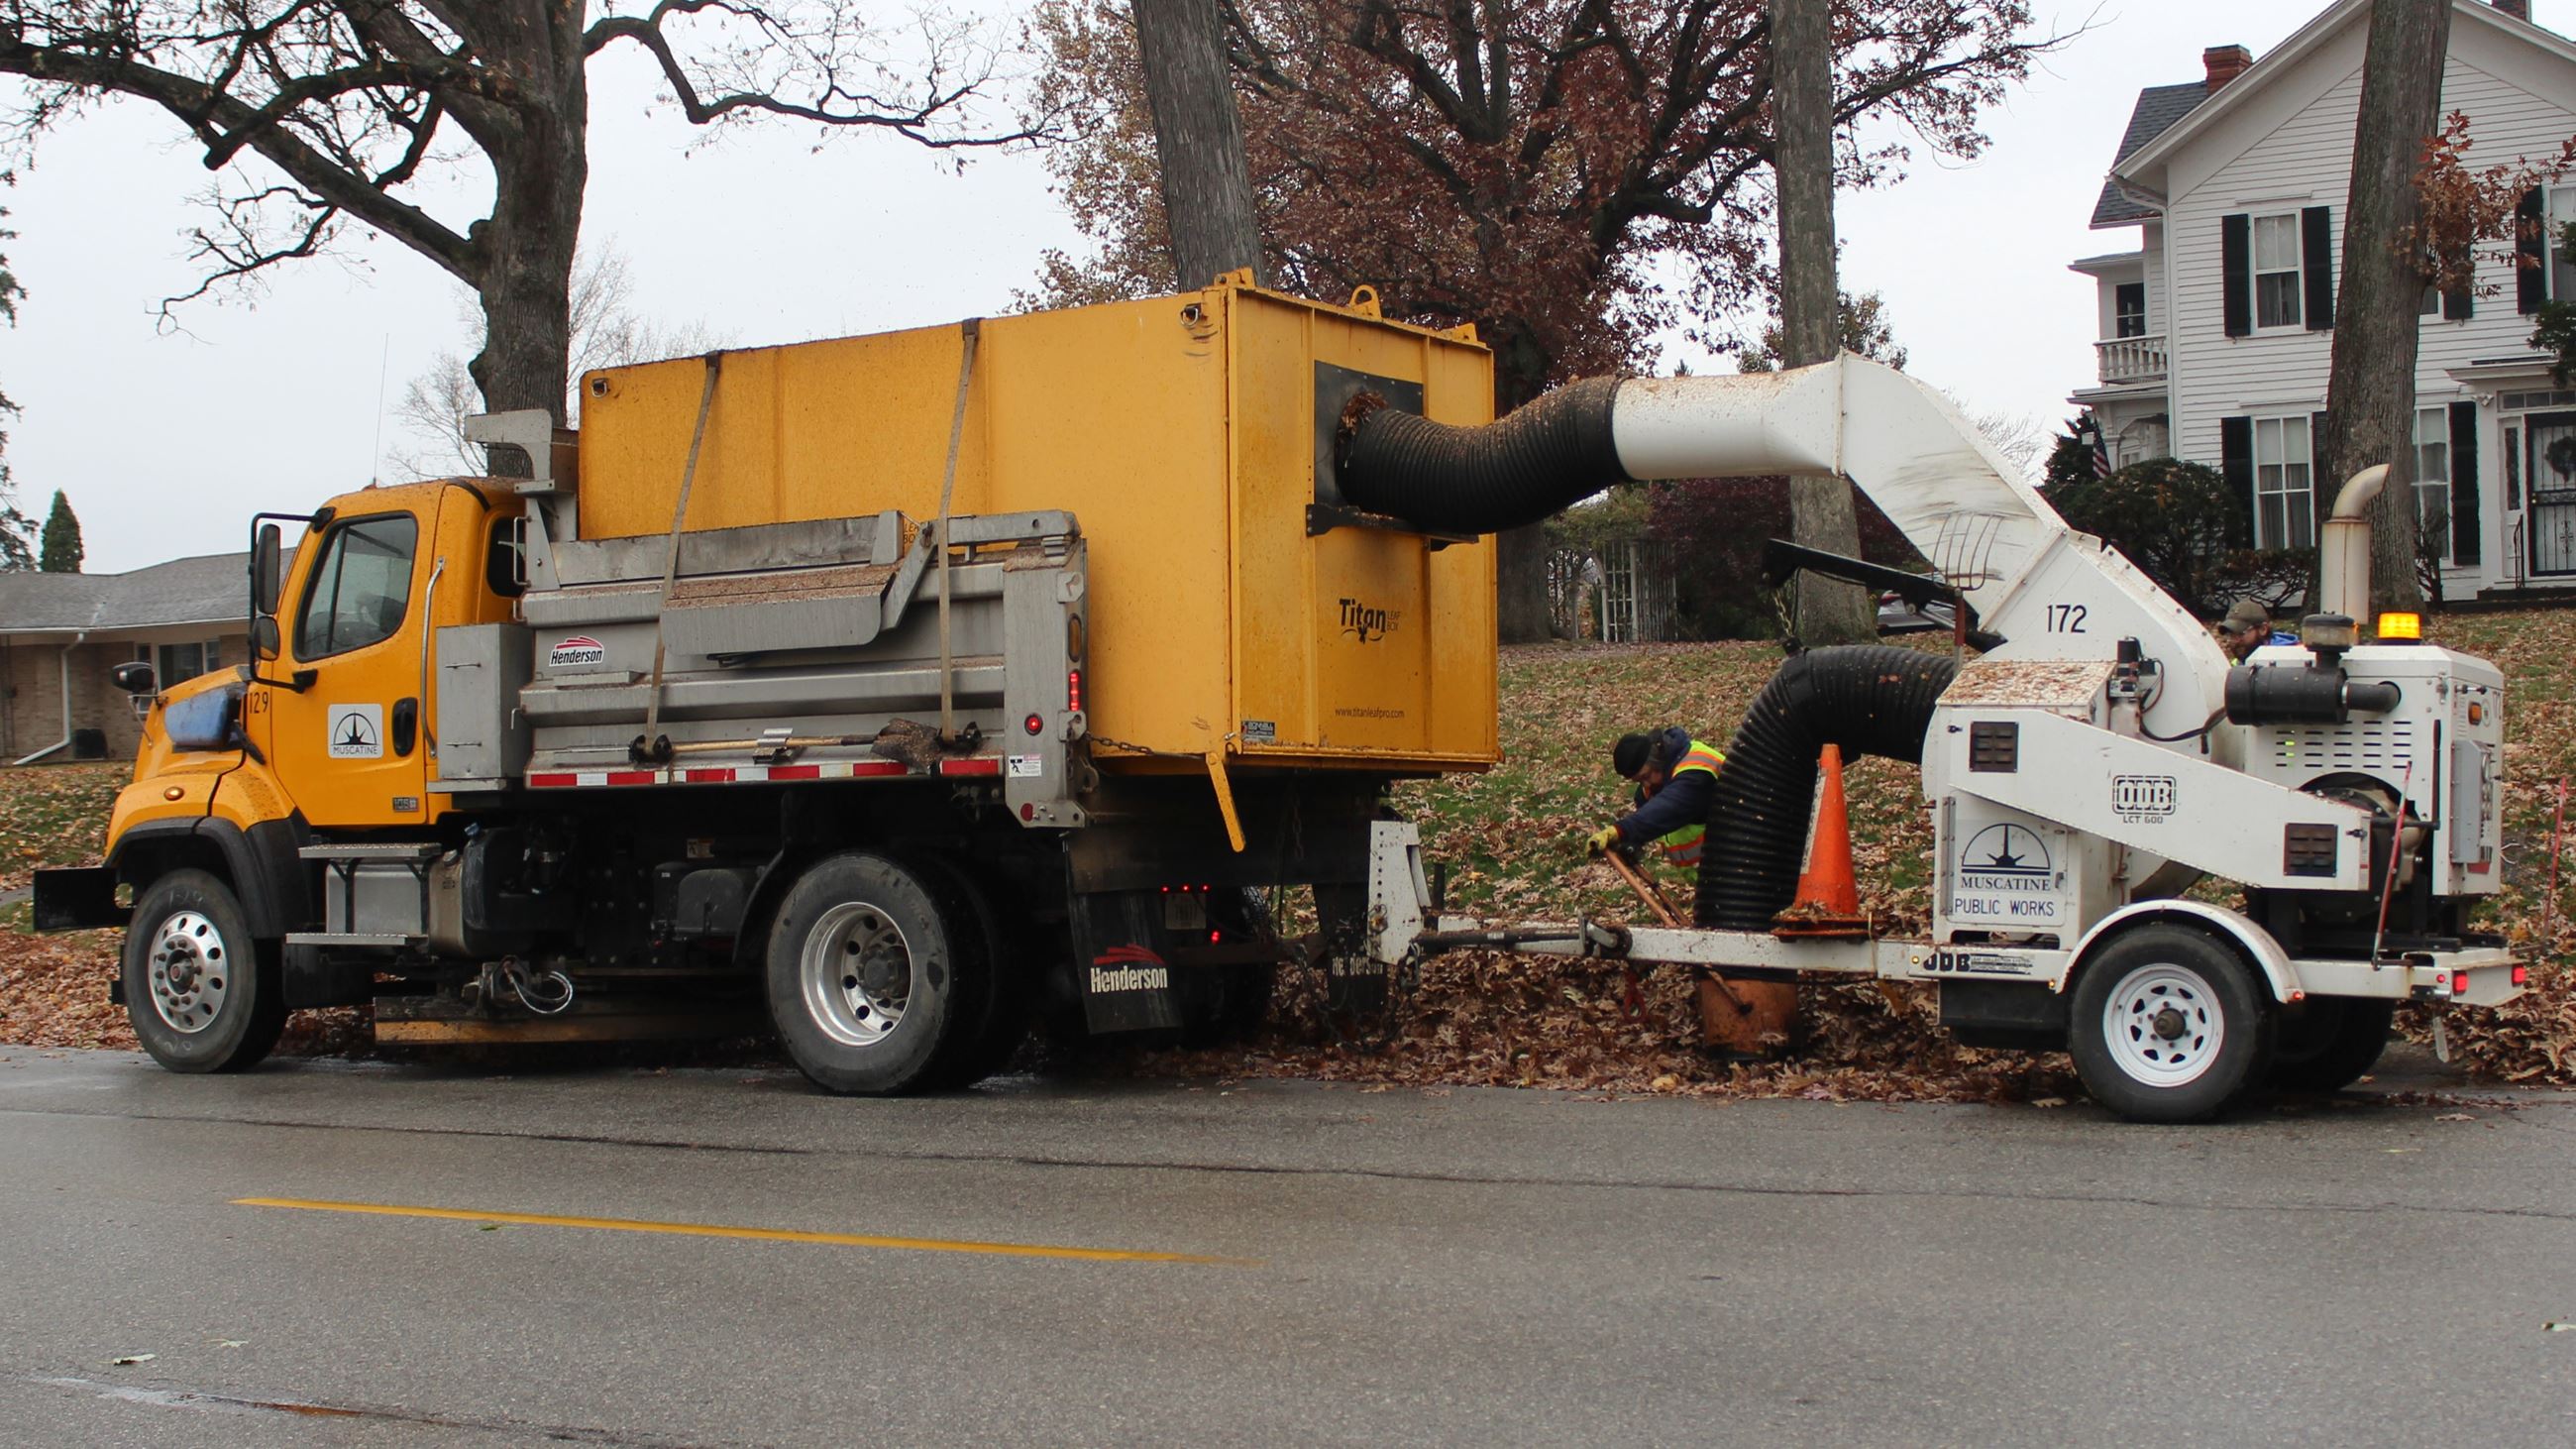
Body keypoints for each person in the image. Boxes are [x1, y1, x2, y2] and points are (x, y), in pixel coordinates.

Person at [1585, 726, 1726, 869]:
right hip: (1712, 878)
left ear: (1656, 760)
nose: (1646, 785)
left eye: (1646, 776)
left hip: (1740, 862)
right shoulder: (1651, 789)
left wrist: (1621, 830)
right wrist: (1629, 844)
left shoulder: (1695, 772)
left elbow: (1668, 808)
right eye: (1639, 781)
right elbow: (1649, 821)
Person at [2218, 599, 2298, 662]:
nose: (2234, 641)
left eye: (2240, 633)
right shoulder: (2242, 659)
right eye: (2230, 635)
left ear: (2263, 629)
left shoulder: (2289, 661)